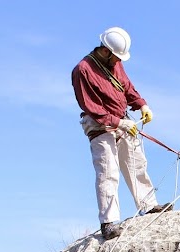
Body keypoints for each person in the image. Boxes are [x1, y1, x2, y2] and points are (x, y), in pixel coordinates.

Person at [71, 26, 171, 240]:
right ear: (106, 51)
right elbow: (92, 107)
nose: (119, 61)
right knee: (108, 171)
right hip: (100, 125)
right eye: (116, 57)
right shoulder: (83, 70)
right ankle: (108, 222)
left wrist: (142, 104)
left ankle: (149, 204)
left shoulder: (116, 64)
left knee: (137, 163)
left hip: (121, 119)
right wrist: (118, 123)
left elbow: (126, 86)